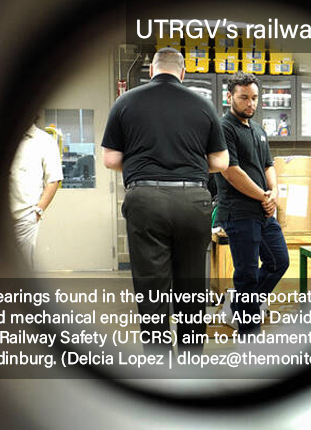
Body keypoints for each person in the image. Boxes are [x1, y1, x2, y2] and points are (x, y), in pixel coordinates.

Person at [102, 47, 228, 356]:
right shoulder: (203, 105)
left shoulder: (125, 102)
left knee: (151, 287)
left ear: (152, 71)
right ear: (182, 73)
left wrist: (142, 166)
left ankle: (159, 364)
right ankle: (190, 361)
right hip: (193, 200)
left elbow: (110, 158)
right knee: (191, 286)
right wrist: (191, 167)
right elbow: (222, 161)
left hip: (145, 200)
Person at [215, 72, 289, 335]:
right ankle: (249, 334)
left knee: (279, 261)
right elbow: (231, 171)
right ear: (230, 97)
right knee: (246, 275)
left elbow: (269, 164)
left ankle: (241, 307)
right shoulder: (224, 128)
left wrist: (274, 192)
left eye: (255, 98)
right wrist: (264, 196)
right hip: (239, 212)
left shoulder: (258, 129)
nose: (250, 103)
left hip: (264, 212)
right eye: (244, 97)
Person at [9, 121, 63, 266]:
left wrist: (38, 211)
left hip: (25, 215)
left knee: (22, 266)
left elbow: (54, 179)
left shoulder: (44, 141)